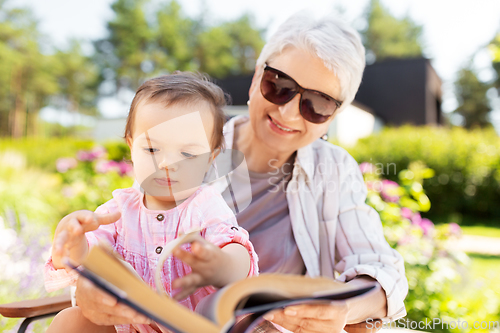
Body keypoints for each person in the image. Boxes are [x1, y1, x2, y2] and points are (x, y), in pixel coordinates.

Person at [74, 12, 408, 333]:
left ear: (333, 116)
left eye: (318, 104)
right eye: (280, 85)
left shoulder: (333, 169)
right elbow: (126, 240)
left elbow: (382, 272)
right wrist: (90, 290)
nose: (289, 113)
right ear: (255, 78)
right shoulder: (190, 145)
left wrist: (344, 309)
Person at [44, 73, 259, 333]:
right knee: (71, 320)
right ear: (132, 147)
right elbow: (91, 257)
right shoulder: (120, 210)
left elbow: (237, 251)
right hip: (133, 328)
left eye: (188, 153)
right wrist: (73, 240)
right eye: (152, 150)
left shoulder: (204, 207)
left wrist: (220, 265)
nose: (167, 164)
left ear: (210, 159)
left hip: (195, 329)